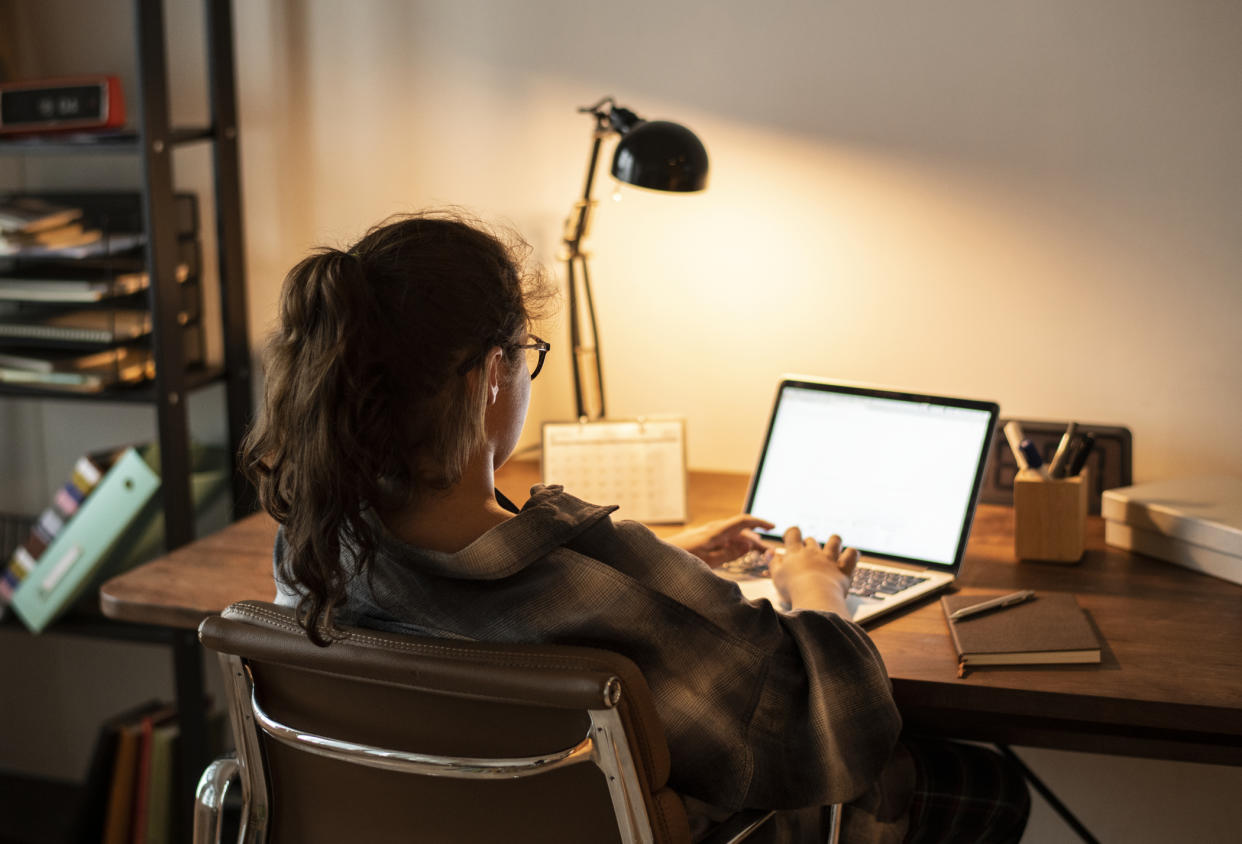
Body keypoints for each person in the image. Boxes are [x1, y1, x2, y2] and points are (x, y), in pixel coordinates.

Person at [241, 211, 1028, 843]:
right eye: (527, 353)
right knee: (984, 789)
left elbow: (488, 600)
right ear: (490, 377)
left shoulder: (313, 550)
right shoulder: (598, 583)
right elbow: (833, 720)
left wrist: (661, 563)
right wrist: (816, 586)